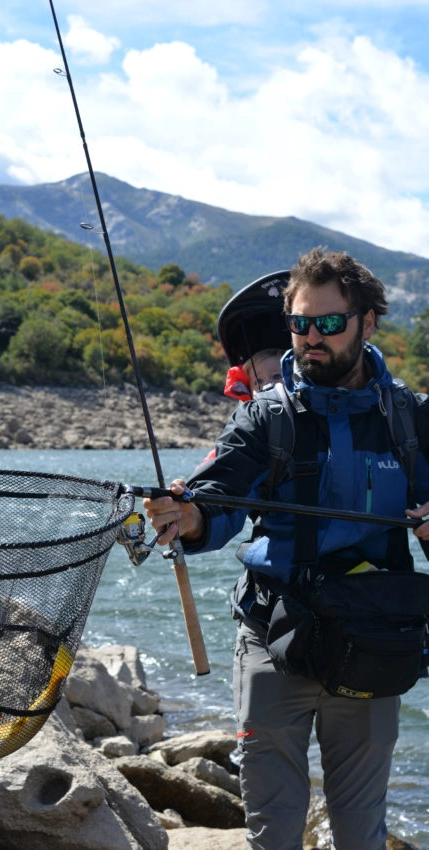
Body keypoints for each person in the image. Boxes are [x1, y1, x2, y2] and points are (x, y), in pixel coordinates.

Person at [144, 247, 429, 850]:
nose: (310, 338)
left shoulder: (411, 421)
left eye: (328, 324)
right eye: (299, 325)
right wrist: (188, 517)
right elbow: (216, 502)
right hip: (274, 636)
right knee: (272, 834)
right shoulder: (262, 419)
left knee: (360, 835)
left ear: (367, 323)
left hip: (375, 644)